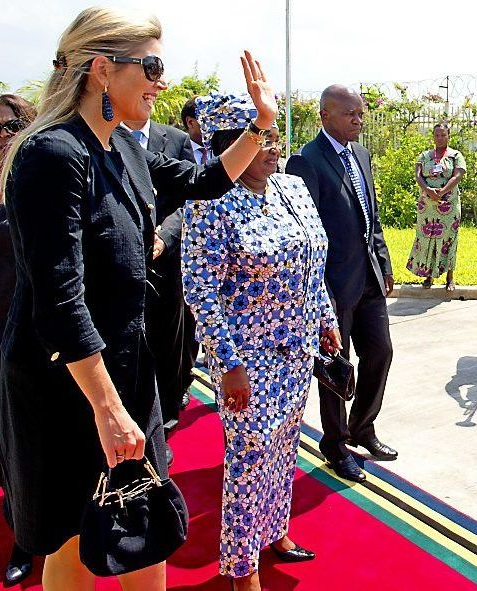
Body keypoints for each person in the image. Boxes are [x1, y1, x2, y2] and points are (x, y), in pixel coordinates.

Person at [0, 7, 276, 588]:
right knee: (71, 538)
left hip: (123, 372)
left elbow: (204, 181)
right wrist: (107, 409)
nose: (161, 81)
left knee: (144, 528)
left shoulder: (120, 146)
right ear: (102, 68)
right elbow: (60, 300)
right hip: (68, 386)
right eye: (151, 65)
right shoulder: (53, 155)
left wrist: (261, 123)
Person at [183, 93, 342, 591]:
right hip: (246, 360)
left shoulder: (293, 188)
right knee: (250, 456)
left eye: (274, 136)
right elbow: (200, 288)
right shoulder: (209, 201)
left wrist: (326, 318)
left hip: (297, 350)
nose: (275, 148)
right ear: (231, 144)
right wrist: (227, 364)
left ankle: (275, 531)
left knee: (285, 446)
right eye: (261, 138)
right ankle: (241, 567)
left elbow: (312, 259)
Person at [285, 85, 397, 483]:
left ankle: (362, 427)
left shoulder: (361, 155)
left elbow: (371, 217)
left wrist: (382, 261)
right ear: (325, 116)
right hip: (330, 286)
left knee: (380, 353)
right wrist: (319, 294)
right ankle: (334, 445)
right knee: (336, 369)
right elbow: (303, 233)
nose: (358, 121)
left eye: (361, 114)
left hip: (367, 277)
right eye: (350, 114)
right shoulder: (306, 162)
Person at [120, 113, 197, 457]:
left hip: (165, 265)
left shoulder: (175, 140)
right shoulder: (106, 137)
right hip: (121, 265)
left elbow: (188, 199)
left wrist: (164, 237)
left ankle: (163, 426)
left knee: (168, 347)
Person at [0, 93, 36, 587]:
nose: (3, 136)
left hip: (41, 334)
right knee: (6, 445)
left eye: (12, 126)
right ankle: (22, 534)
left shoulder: (43, 178)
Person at [406, 122, 466, 291]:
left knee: (448, 239)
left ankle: (450, 277)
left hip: (449, 204)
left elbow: (458, 176)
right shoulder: (424, 156)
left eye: (443, 135)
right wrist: (428, 190)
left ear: (448, 136)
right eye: (437, 135)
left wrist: (442, 192)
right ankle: (428, 275)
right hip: (427, 206)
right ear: (433, 137)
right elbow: (418, 176)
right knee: (427, 238)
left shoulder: (456, 156)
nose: (440, 138)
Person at [181, 96, 207, 165]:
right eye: (208, 119)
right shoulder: (175, 152)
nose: (215, 123)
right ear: (190, 122)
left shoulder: (225, 149)